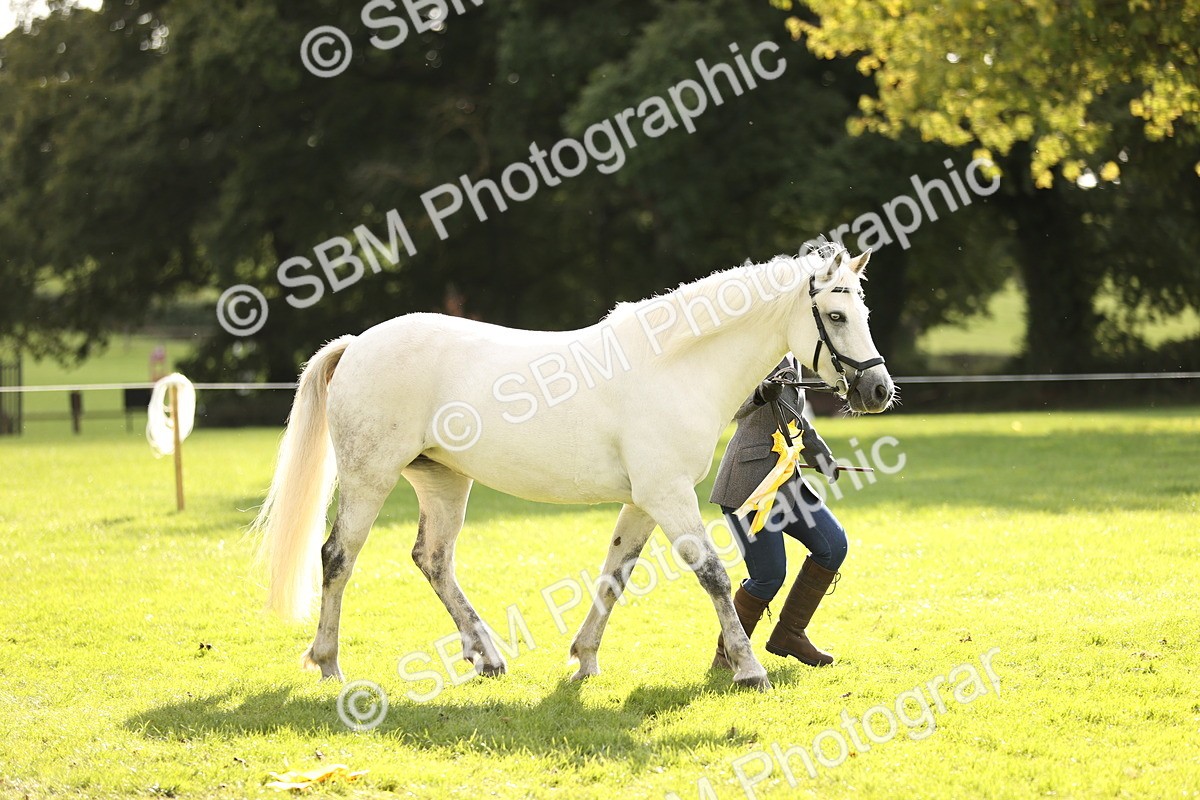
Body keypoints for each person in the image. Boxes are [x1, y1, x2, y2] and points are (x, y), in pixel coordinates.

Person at [709, 355, 847, 668]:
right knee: (768, 576)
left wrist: (821, 454)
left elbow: (794, 415)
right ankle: (728, 654)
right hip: (746, 486)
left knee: (833, 544)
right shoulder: (751, 349)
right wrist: (758, 394)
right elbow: (728, 407)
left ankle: (790, 633)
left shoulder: (792, 357)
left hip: (787, 481)